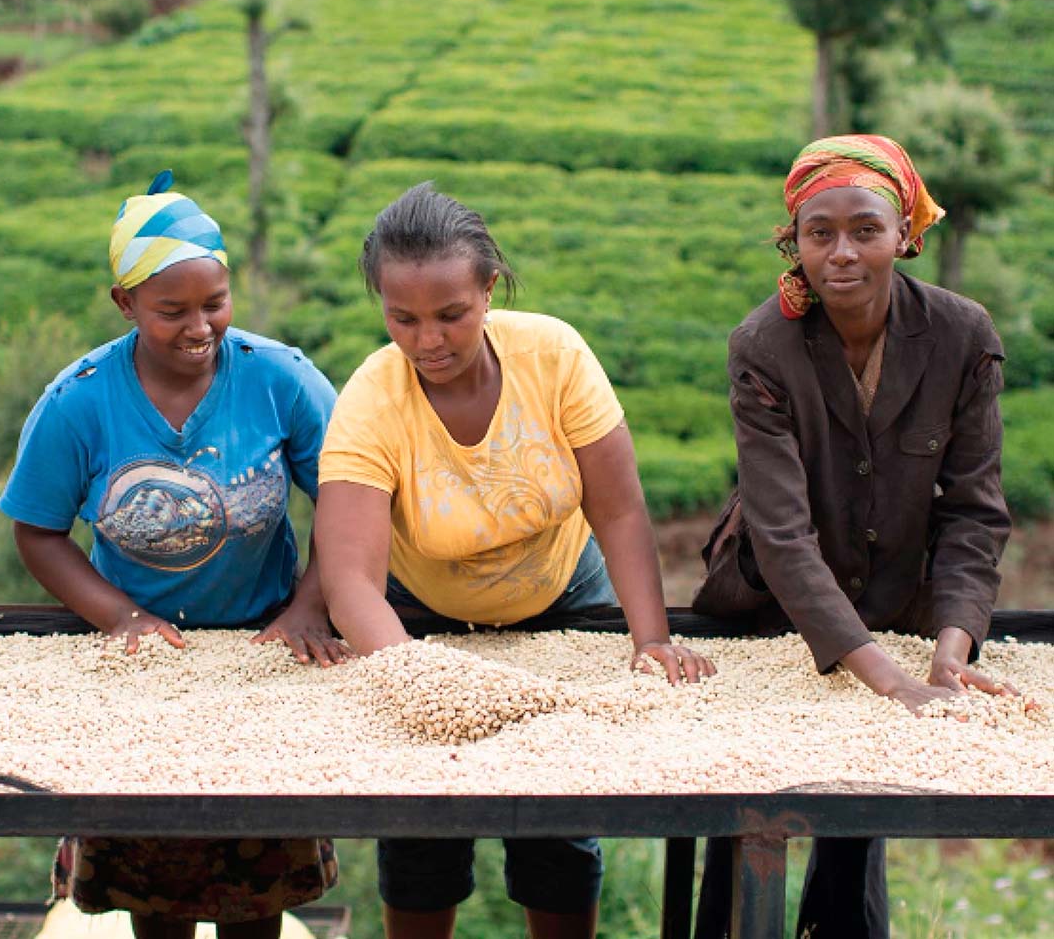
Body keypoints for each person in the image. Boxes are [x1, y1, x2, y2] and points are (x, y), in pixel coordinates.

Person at [315, 182, 716, 939]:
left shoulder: (553, 355)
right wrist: (419, 680)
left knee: (559, 811)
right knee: (422, 814)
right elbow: (350, 578)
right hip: (421, 618)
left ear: (488, 290)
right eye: (402, 319)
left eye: (450, 316)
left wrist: (650, 638)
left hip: (562, 595)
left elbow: (620, 508)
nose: (427, 340)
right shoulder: (373, 395)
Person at [0, 171, 346, 938]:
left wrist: (309, 607)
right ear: (124, 304)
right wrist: (119, 618)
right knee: (153, 893)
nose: (200, 326)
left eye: (214, 303)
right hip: (142, 668)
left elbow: (350, 501)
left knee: (258, 893)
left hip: (263, 654)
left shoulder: (279, 380)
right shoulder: (79, 401)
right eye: (171, 311)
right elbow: (38, 530)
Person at [690, 134, 1015, 939]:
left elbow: (974, 508)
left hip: (898, 596)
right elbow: (782, 530)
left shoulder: (961, 335)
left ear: (906, 234)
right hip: (772, 603)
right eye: (819, 232)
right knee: (749, 800)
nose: (842, 252)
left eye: (865, 229)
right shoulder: (762, 346)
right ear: (792, 243)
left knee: (854, 809)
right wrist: (884, 676)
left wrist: (949, 646)